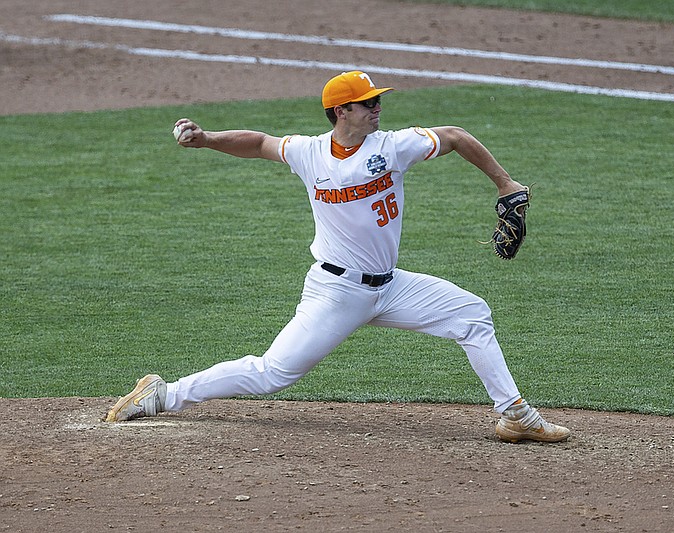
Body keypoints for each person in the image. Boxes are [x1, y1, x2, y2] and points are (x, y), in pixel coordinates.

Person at [105, 71, 570, 443]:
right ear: (342, 110)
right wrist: (206, 139)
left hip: (391, 286)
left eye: (377, 100)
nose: (378, 108)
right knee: (273, 374)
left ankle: (515, 416)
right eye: (369, 103)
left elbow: (455, 135)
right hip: (336, 291)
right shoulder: (309, 153)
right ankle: (164, 395)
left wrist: (505, 183)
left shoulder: (391, 146)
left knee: (472, 314)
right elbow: (260, 143)